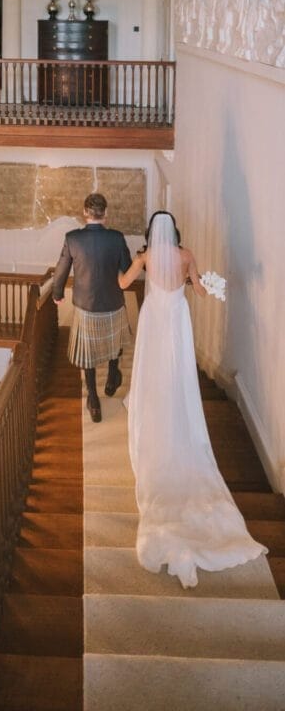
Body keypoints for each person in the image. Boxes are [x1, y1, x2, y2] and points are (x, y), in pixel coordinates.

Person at [119, 210, 266, 588]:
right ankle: (178, 404)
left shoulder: (145, 257)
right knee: (178, 365)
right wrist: (213, 285)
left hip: (155, 315)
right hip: (176, 314)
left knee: (152, 363)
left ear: (153, 232)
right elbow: (198, 290)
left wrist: (129, 266)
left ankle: (154, 404)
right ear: (177, 233)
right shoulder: (186, 256)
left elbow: (123, 284)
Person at [52, 192, 132, 422]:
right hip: (114, 301)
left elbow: (61, 271)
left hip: (86, 306)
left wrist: (57, 294)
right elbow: (126, 270)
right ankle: (112, 377)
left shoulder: (72, 238)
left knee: (88, 354)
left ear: (85, 213)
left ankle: (94, 400)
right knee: (113, 341)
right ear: (105, 214)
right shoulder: (117, 238)